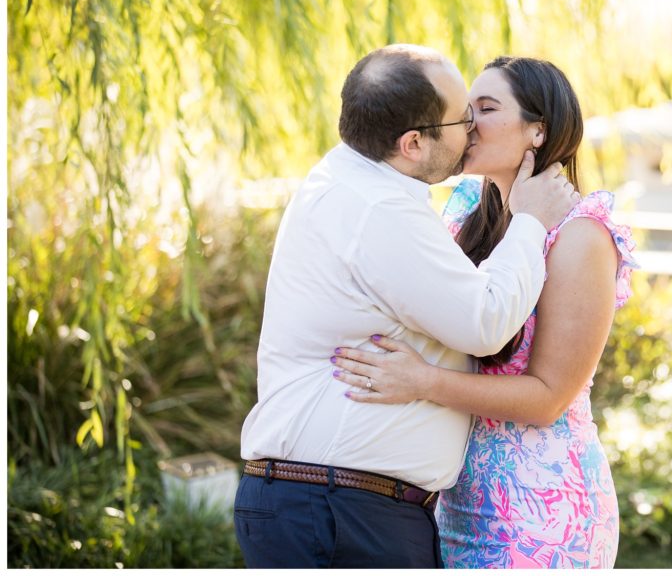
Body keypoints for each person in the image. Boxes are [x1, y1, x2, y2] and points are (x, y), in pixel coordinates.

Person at [233, 45, 579, 569]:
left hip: (335, 505)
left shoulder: (354, 185)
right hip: (339, 513)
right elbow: (484, 322)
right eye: (463, 116)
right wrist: (530, 222)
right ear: (413, 143)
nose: (472, 129)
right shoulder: (378, 209)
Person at [330, 56, 639, 568]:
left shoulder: (580, 235)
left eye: (487, 108)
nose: (468, 122)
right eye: (465, 108)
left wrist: (422, 381)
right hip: (455, 504)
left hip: (543, 512)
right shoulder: (461, 213)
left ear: (537, 130)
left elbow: (546, 399)